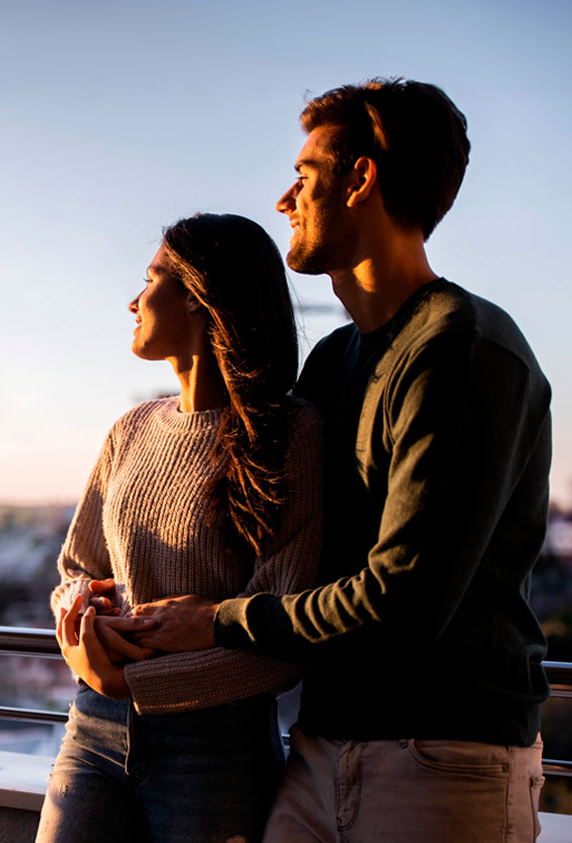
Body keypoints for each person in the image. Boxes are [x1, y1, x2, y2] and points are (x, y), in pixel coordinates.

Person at [129, 80, 551, 842]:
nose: (286, 197)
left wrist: (217, 621)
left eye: (306, 174)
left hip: (440, 759)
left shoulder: (463, 350)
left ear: (360, 180)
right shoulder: (332, 361)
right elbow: (273, 536)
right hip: (318, 750)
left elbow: (402, 605)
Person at [35, 213, 323, 843]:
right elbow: (76, 568)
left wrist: (131, 679)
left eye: (149, 279)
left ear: (199, 299)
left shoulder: (290, 436)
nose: (133, 300)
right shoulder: (130, 429)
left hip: (214, 751)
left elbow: (286, 632)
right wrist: (81, 619)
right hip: (92, 732)